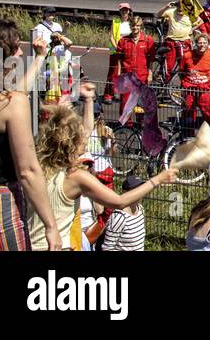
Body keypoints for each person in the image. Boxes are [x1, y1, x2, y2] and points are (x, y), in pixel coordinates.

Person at [29, 85, 177, 250]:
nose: (86, 142)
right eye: (82, 140)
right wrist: (157, 179)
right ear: (72, 144)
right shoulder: (75, 177)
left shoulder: (35, 166)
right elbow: (120, 201)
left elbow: (82, 132)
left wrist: (88, 101)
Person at [0, 19, 60, 251]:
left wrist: (39, 58)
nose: (21, 51)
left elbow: (19, 92)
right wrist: (50, 225)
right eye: (16, 47)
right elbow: (28, 171)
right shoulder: (10, 103)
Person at [99, 175, 148, 251]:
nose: (139, 192)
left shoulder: (140, 209)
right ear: (125, 192)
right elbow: (107, 248)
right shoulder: (119, 217)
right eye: (135, 189)